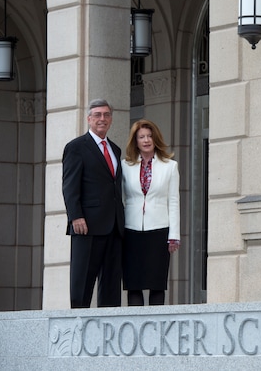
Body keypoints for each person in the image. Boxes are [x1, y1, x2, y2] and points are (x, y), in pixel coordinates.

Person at [62, 99, 125, 308]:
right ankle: (77, 326)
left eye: (106, 115)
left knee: (111, 284)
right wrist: (75, 216)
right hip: (86, 225)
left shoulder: (115, 150)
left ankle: (110, 330)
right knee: (82, 283)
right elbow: (70, 186)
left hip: (114, 226)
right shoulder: (76, 147)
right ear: (89, 119)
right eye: (97, 115)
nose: (102, 119)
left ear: (111, 120)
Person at [121, 119, 180, 306]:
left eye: (149, 136)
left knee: (156, 283)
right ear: (135, 141)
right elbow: (120, 198)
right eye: (141, 137)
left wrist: (174, 235)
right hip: (131, 229)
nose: (146, 140)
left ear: (156, 139)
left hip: (159, 229)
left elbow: (173, 201)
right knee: (134, 284)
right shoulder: (125, 166)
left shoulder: (170, 166)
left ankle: (156, 330)